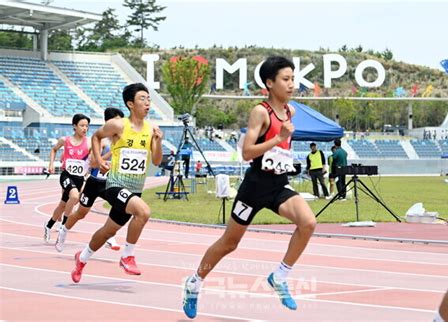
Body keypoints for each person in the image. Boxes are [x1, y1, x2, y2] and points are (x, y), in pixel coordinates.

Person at [182, 56, 317, 319]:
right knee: (229, 243)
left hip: (278, 184)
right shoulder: (261, 111)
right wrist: (279, 138)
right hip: (254, 187)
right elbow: (246, 152)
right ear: (270, 83)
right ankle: (194, 282)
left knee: (308, 222)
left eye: (293, 79)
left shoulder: (291, 111)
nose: (292, 85)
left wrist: (283, 148)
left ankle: (279, 276)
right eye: (285, 79)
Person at [71, 83, 163, 283]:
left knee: (108, 231)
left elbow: (156, 161)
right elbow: (96, 136)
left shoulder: (151, 129)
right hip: (115, 185)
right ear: (130, 104)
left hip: (134, 190)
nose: (147, 103)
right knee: (144, 212)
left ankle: (82, 258)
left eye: (148, 99)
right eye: (142, 98)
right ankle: (127, 256)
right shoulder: (119, 125)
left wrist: (159, 141)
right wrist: (98, 158)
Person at [55, 108, 125, 253]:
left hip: (110, 182)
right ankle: (64, 230)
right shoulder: (101, 139)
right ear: (109, 122)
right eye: (118, 120)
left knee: (120, 206)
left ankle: (109, 236)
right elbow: (93, 163)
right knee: (81, 213)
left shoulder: (123, 139)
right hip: (94, 181)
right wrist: (108, 156)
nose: (121, 124)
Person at [43, 114, 90, 243]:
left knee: (63, 205)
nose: (85, 128)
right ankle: (64, 226)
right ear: (74, 126)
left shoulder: (90, 142)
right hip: (67, 175)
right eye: (82, 125)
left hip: (80, 178)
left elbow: (95, 156)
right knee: (74, 197)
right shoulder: (65, 140)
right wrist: (51, 164)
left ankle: (48, 226)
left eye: (87, 126)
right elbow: (54, 150)